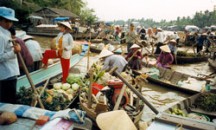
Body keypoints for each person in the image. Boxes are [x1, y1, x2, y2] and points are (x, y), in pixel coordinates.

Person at [0, 7, 20, 103]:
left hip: (10, 73)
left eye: (11, 21)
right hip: (6, 75)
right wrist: (14, 52)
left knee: (10, 101)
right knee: (8, 103)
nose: (9, 24)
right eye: (6, 21)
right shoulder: (1, 36)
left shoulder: (7, 33)